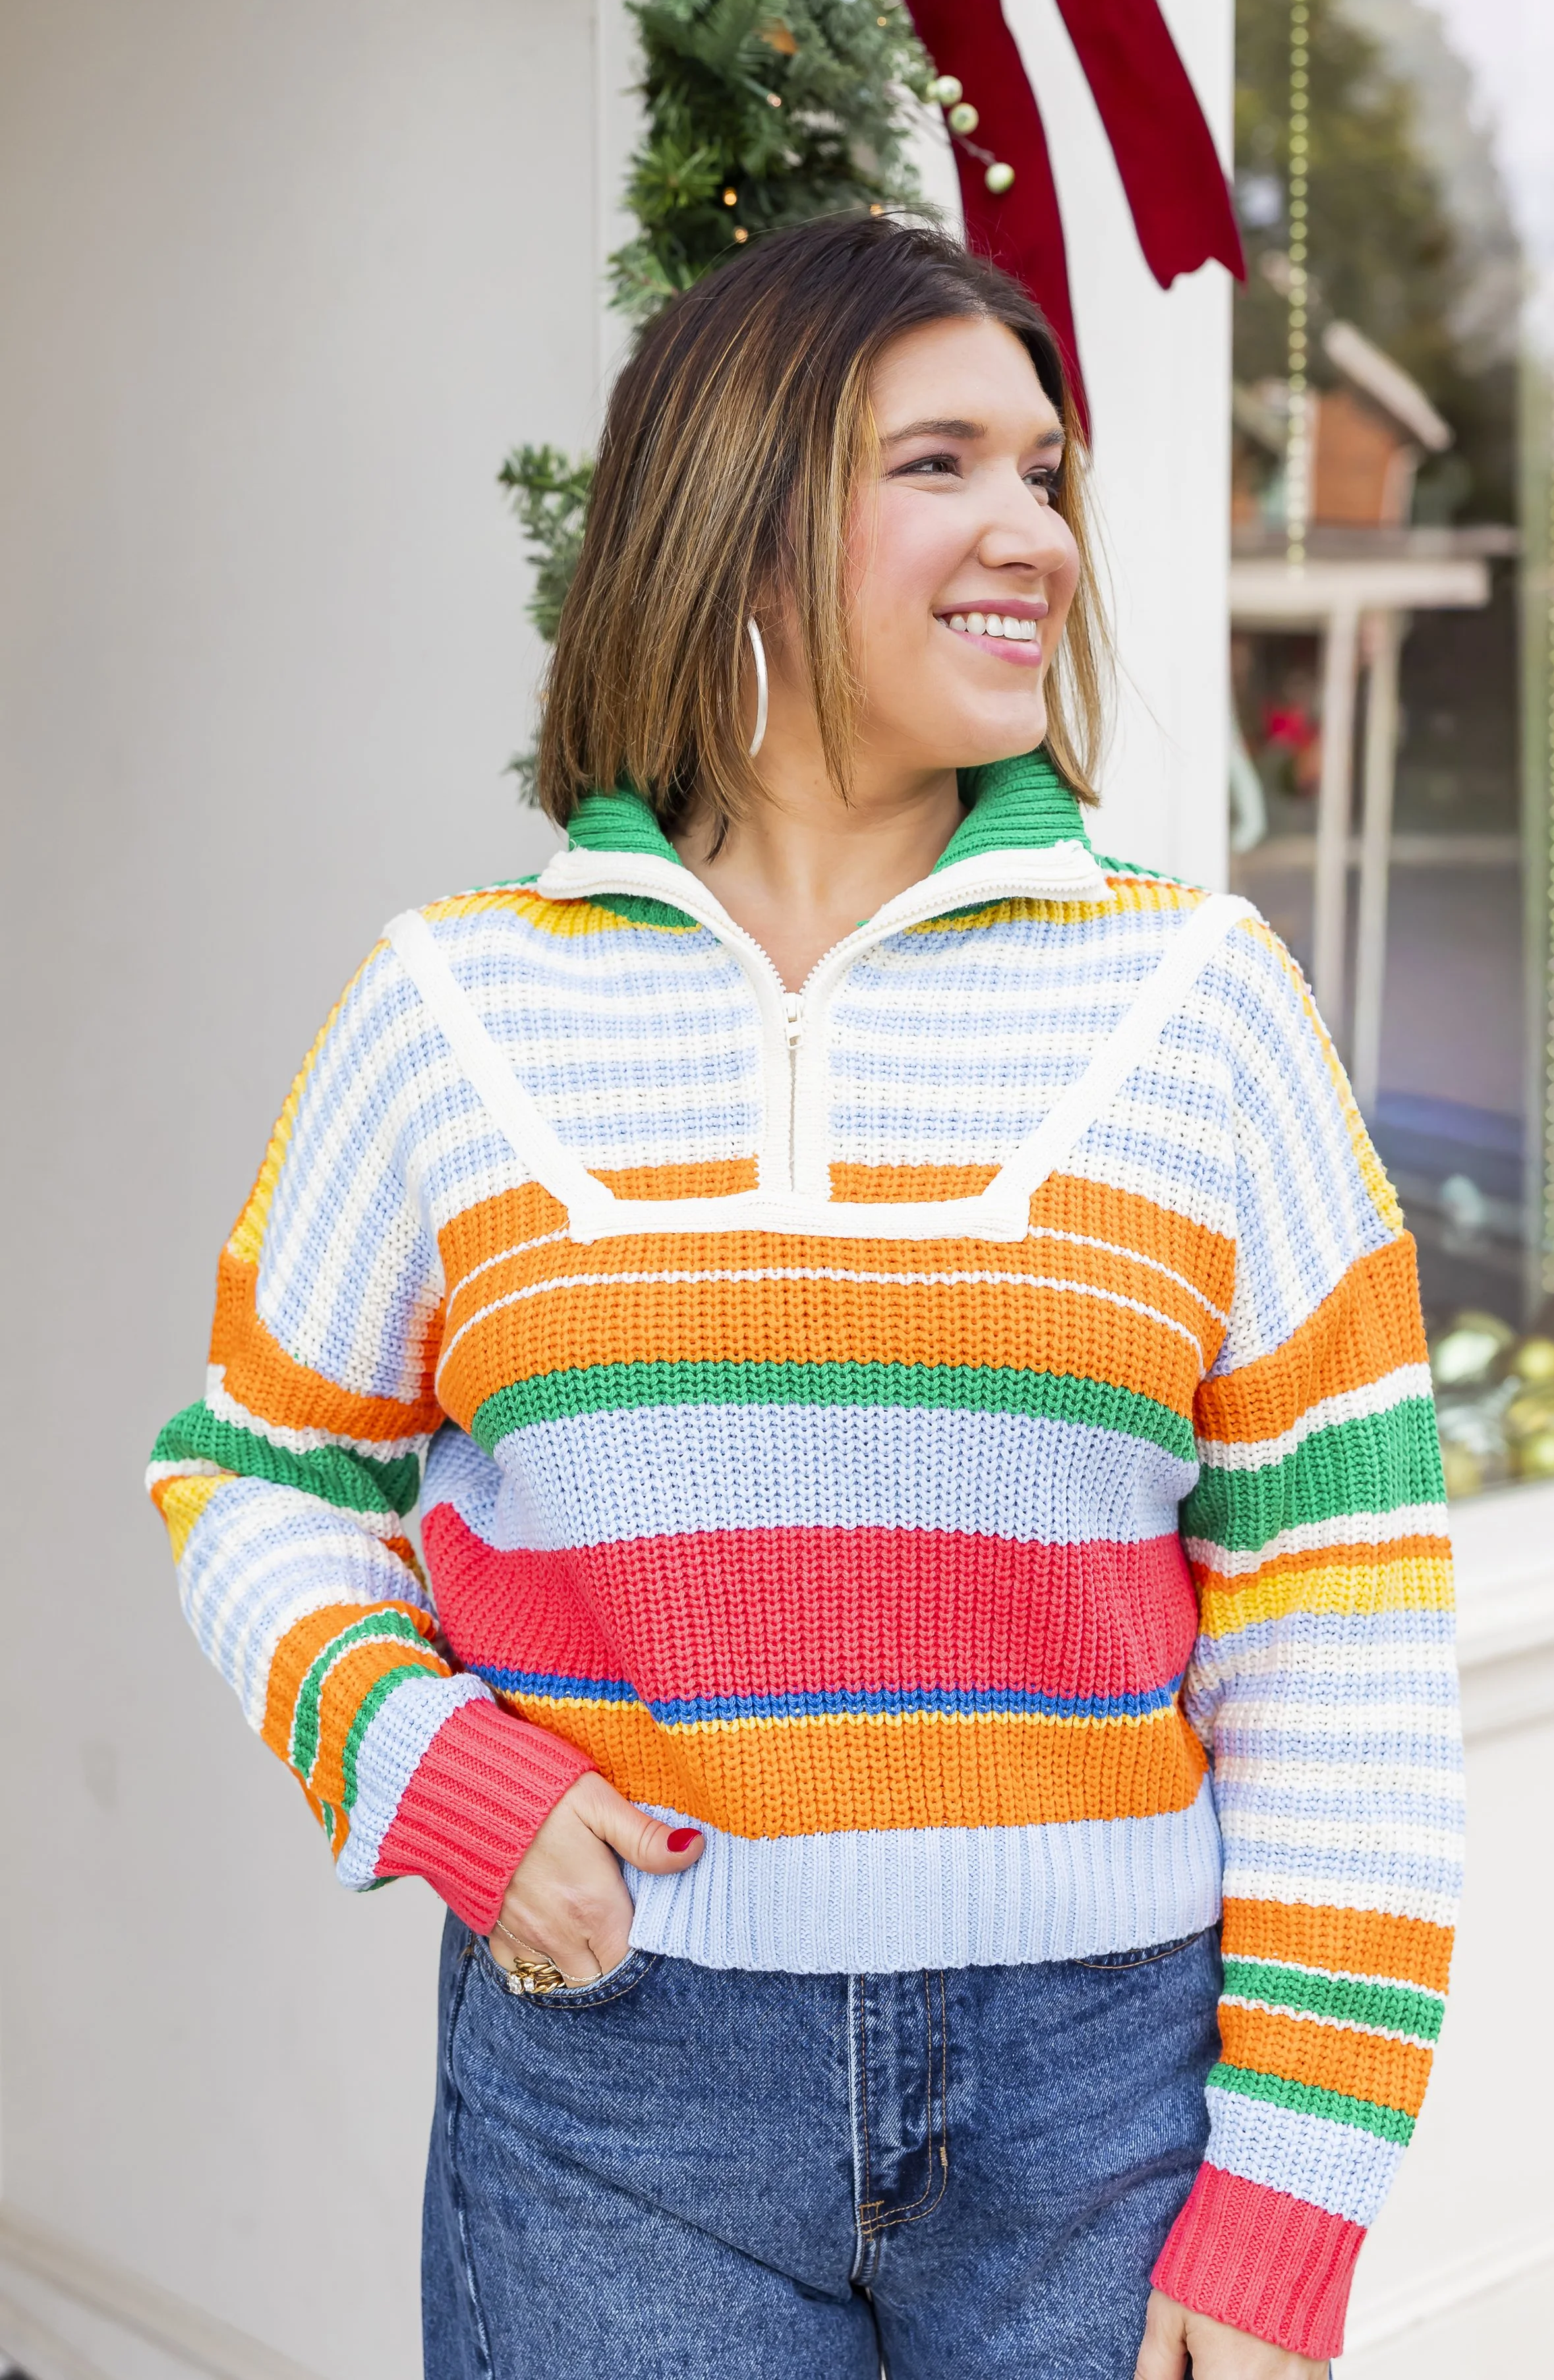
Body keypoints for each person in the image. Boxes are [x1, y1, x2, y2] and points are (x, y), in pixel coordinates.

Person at [148, 214, 1461, 2379]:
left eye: (1041, 469)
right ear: (733, 515)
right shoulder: (452, 1007)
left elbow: (1344, 1615)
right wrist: (437, 1770)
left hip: (1104, 2115)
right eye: (937, 463)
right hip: (617, 2090)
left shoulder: (1199, 1002)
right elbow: (254, 1472)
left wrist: (1290, 2197)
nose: (1031, 529)